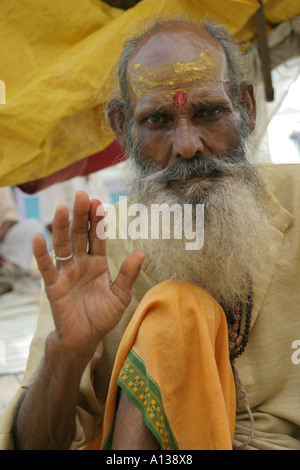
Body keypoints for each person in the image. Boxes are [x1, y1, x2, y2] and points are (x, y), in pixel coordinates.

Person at [0, 16, 299, 450]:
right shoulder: (101, 249)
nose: (187, 145)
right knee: (175, 312)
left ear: (247, 107)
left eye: (209, 112)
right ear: (123, 128)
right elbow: (34, 445)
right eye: (158, 119)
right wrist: (67, 354)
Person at [0, 186, 43, 276]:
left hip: (2, 242)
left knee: (32, 226)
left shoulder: (2, 183)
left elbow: (11, 218)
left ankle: (12, 266)